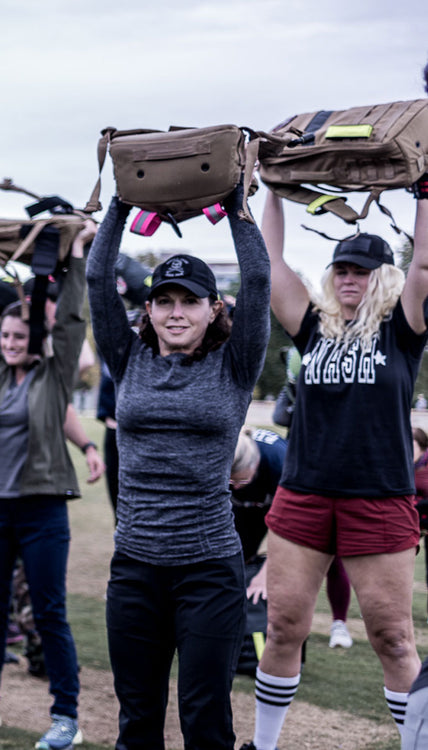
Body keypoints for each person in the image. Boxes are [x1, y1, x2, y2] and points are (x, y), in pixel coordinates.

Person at [87, 186, 269, 749]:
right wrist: (118, 205)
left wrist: (238, 205)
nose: (175, 311)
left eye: (189, 301)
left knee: (205, 716)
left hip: (210, 569)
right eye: (164, 300)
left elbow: (258, 280)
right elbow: (96, 280)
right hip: (136, 568)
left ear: (214, 309)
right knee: (137, 718)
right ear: (149, 309)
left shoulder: (234, 366)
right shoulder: (128, 358)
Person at [247, 187, 428, 750]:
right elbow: (270, 262)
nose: (350, 278)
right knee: (283, 630)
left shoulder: (402, 331)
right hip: (303, 496)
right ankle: (265, 745)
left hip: (378, 497)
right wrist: (273, 190)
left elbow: (423, 260)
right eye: (343, 269)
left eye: (363, 270)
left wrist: (424, 192)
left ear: (383, 277)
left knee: (394, 638)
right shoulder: (313, 327)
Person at [0, 229, 93, 745]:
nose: (9, 343)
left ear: (33, 340)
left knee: (49, 612)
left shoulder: (53, 378)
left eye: (18, 337)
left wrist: (73, 262)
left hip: (42, 511)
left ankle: (66, 717)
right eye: (4, 337)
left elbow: (72, 321)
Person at [231, 426, 356, 649]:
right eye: (232, 483)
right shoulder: (228, 454)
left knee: (330, 557)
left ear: (255, 467)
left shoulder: (283, 464)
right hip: (254, 502)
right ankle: (237, 622)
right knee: (239, 554)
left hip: (314, 499)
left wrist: (265, 574)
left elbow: (291, 530)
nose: (236, 488)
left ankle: (339, 623)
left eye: (241, 482)